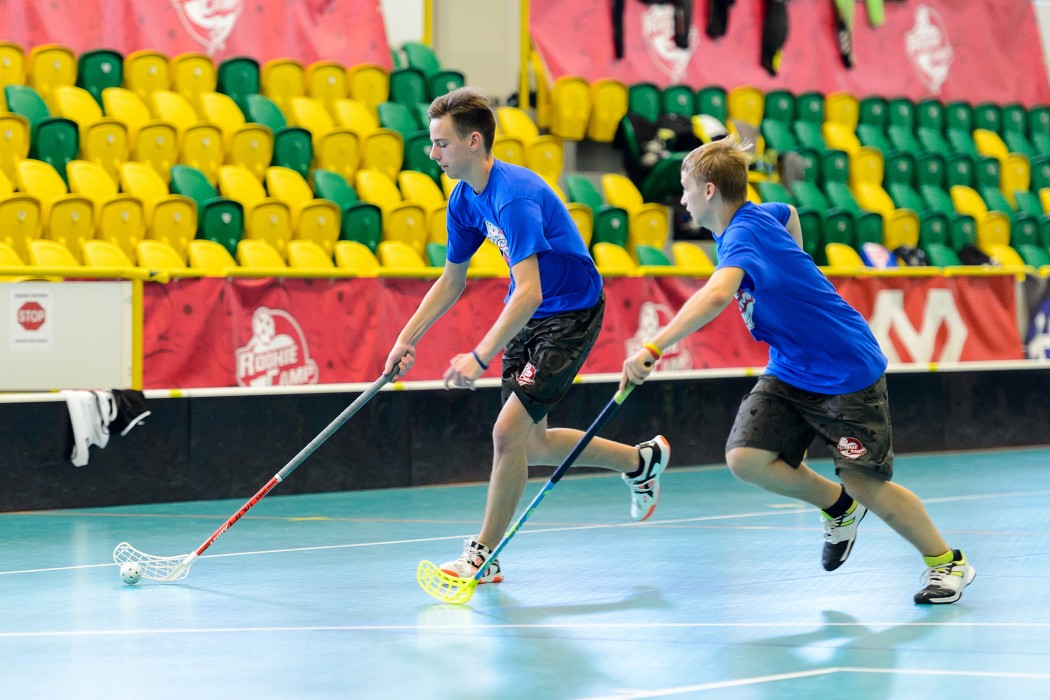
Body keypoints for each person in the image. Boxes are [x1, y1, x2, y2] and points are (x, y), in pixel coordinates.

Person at [621, 135, 976, 605]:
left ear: (709, 191)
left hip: (846, 368)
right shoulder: (755, 219)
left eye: (686, 188)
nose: (681, 198)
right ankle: (836, 506)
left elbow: (715, 295)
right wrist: (798, 266)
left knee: (866, 483)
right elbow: (788, 212)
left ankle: (946, 562)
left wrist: (652, 346)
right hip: (791, 367)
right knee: (745, 457)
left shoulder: (743, 236)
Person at [384, 87, 670, 584]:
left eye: (441, 144)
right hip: (531, 314)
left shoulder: (513, 196)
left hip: (571, 312)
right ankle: (640, 461)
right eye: (432, 144)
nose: (433, 154)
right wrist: (406, 339)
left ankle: (482, 555)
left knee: (506, 433)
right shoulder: (462, 199)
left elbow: (531, 291)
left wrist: (478, 355)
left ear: (474, 142)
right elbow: (452, 279)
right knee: (529, 443)